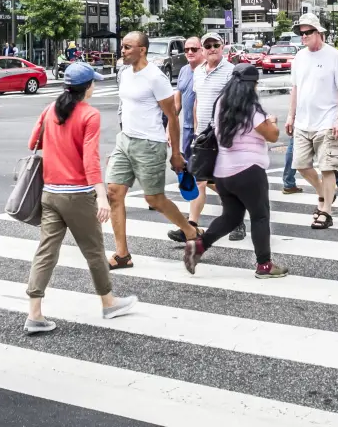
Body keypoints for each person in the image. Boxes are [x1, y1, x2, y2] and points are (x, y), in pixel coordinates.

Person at [24, 62, 137, 334]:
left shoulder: (50, 109)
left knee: (46, 252)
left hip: (50, 193)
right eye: (93, 83)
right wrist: (101, 195)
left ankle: (34, 314)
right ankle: (108, 302)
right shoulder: (90, 114)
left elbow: (32, 144)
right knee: (95, 251)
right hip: (77, 195)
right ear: (87, 87)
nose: (94, 86)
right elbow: (90, 159)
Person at [105, 31, 200, 269]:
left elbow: (172, 117)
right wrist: (121, 140)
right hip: (125, 140)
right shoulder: (125, 74)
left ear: (142, 50)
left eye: (128, 47)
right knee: (114, 193)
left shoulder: (156, 77)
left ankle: (190, 231)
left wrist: (176, 153)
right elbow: (125, 108)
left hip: (150, 144)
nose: (123, 51)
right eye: (123, 47)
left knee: (154, 199)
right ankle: (122, 254)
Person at [183, 63, 287, 278]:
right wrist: (272, 121)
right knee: (259, 217)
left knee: (231, 217)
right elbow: (273, 135)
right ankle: (264, 265)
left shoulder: (221, 102)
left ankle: (200, 246)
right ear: (252, 85)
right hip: (249, 170)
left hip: (223, 173)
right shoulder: (251, 107)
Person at [171, 33, 241, 242]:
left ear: (223, 46)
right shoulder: (198, 72)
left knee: (226, 181)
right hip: (202, 136)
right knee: (199, 181)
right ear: (204, 49)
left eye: (215, 45)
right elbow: (196, 102)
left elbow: (236, 103)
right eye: (207, 45)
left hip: (223, 135)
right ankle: (191, 226)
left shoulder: (231, 71)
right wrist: (195, 130)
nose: (212, 49)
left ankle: (237, 220)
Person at [285, 12, 338, 230]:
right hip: (303, 122)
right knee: (301, 165)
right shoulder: (299, 58)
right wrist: (290, 116)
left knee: (327, 167)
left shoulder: (333, 56)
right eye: (300, 33)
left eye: (307, 32)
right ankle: (325, 194)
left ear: (318, 32)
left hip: (327, 121)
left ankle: (326, 211)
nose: (303, 36)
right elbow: (295, 89)